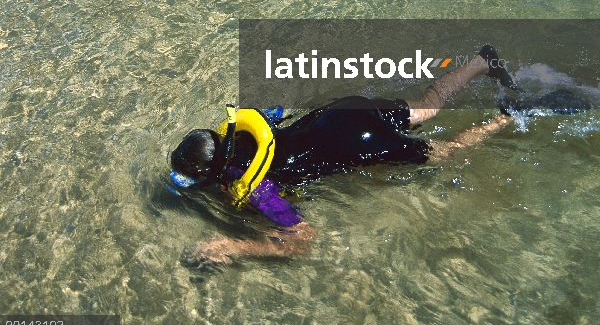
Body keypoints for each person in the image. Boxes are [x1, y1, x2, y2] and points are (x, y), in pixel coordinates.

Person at [172, 46, 516, 266]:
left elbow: (303, 239)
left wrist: (233, 246)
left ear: (214, 174)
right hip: (341, 113)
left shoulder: (260, 191)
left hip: (361, 139)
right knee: (426, 108)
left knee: (443, 153)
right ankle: (481, 62)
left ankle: (507, 117)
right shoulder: (244, 133)